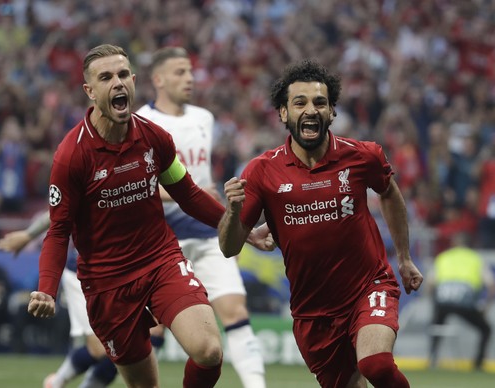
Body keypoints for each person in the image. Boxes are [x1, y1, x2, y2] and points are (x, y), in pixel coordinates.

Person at [26, 44, 271, 388]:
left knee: (209, 350)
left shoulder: (154, 137)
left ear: (134, 80)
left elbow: (187, 193)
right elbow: (58, 229)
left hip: (160, 262)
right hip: (107, 282)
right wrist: (47, 290)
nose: (118, 83)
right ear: (90, 91)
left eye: (123, 74)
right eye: (106, 77)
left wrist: (245, 231)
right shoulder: (72, 156)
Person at [217, 59, 424, 388]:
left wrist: (404, 257)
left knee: (376, 364)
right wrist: (232, 210)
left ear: (332, 113)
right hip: (312, 311)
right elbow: (229, 247)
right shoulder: (261, 171)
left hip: (368, 287)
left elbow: (388, 193)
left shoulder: (363, 156)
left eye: (320, 103)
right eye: (299, 103)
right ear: (284, 113)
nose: (310, 110)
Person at [135, 46, 267, 388]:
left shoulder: (204, 118)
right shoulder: (141, 123)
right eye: (180, 72)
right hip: (163, 235)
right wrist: (184, 192)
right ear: (159, 79)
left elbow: (201, 178)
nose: (189, 78)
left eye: (190, 72)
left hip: (207, 230)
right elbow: (136, 184)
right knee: (156, 327)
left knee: (235, 312)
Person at [0, 211, 117, 388]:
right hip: (83, 274)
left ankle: (57, 382)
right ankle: (58, 381)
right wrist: (29, 234)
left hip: (123, 272)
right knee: (102, 349)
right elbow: (60, 208)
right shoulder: (95, 186)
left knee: (129, 347)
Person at [426, 231, 495, 370]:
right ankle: (478, 363)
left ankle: (433, 358)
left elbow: (429, 284)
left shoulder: (443, 257)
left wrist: (433, 303)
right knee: (486, 329)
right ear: (470, 244)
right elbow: (492, 286)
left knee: (436, 325)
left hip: (443, 301)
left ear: (453, 244)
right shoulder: (476, 259)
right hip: (465, 301)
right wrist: (486, 307)